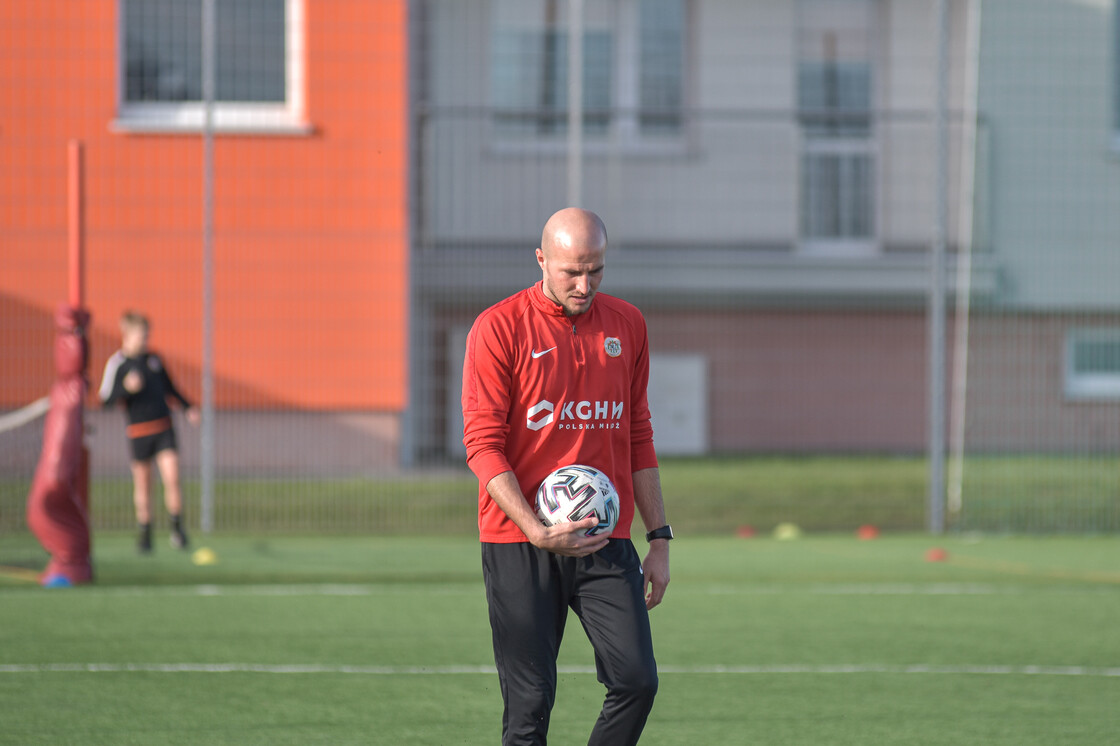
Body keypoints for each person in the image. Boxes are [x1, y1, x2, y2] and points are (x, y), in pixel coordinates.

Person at [462, 207, 673, 745]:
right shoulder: (498, 328)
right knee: (529, 705)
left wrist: (659, 538)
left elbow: (638, 434)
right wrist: (535, 528)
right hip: (520, 541)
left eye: (596, 270)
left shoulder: (628, 324)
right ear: (541, 260)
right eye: (571, 271)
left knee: (636, 681)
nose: (585, 285)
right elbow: (482, 447)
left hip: (604, 537)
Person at [99, 311, 199, 554]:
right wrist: (126, 388)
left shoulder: (154, 360)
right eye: (140, 335)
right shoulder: (118, 364)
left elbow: (170, 388)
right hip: (139, 432)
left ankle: (177, 530)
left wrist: (188, 407)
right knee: (143, 486)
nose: (144, 340)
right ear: (128, 335)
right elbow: (106, 400)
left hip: (164, 429)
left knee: (172, 478)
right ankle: (145, 535)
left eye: (146, 335)